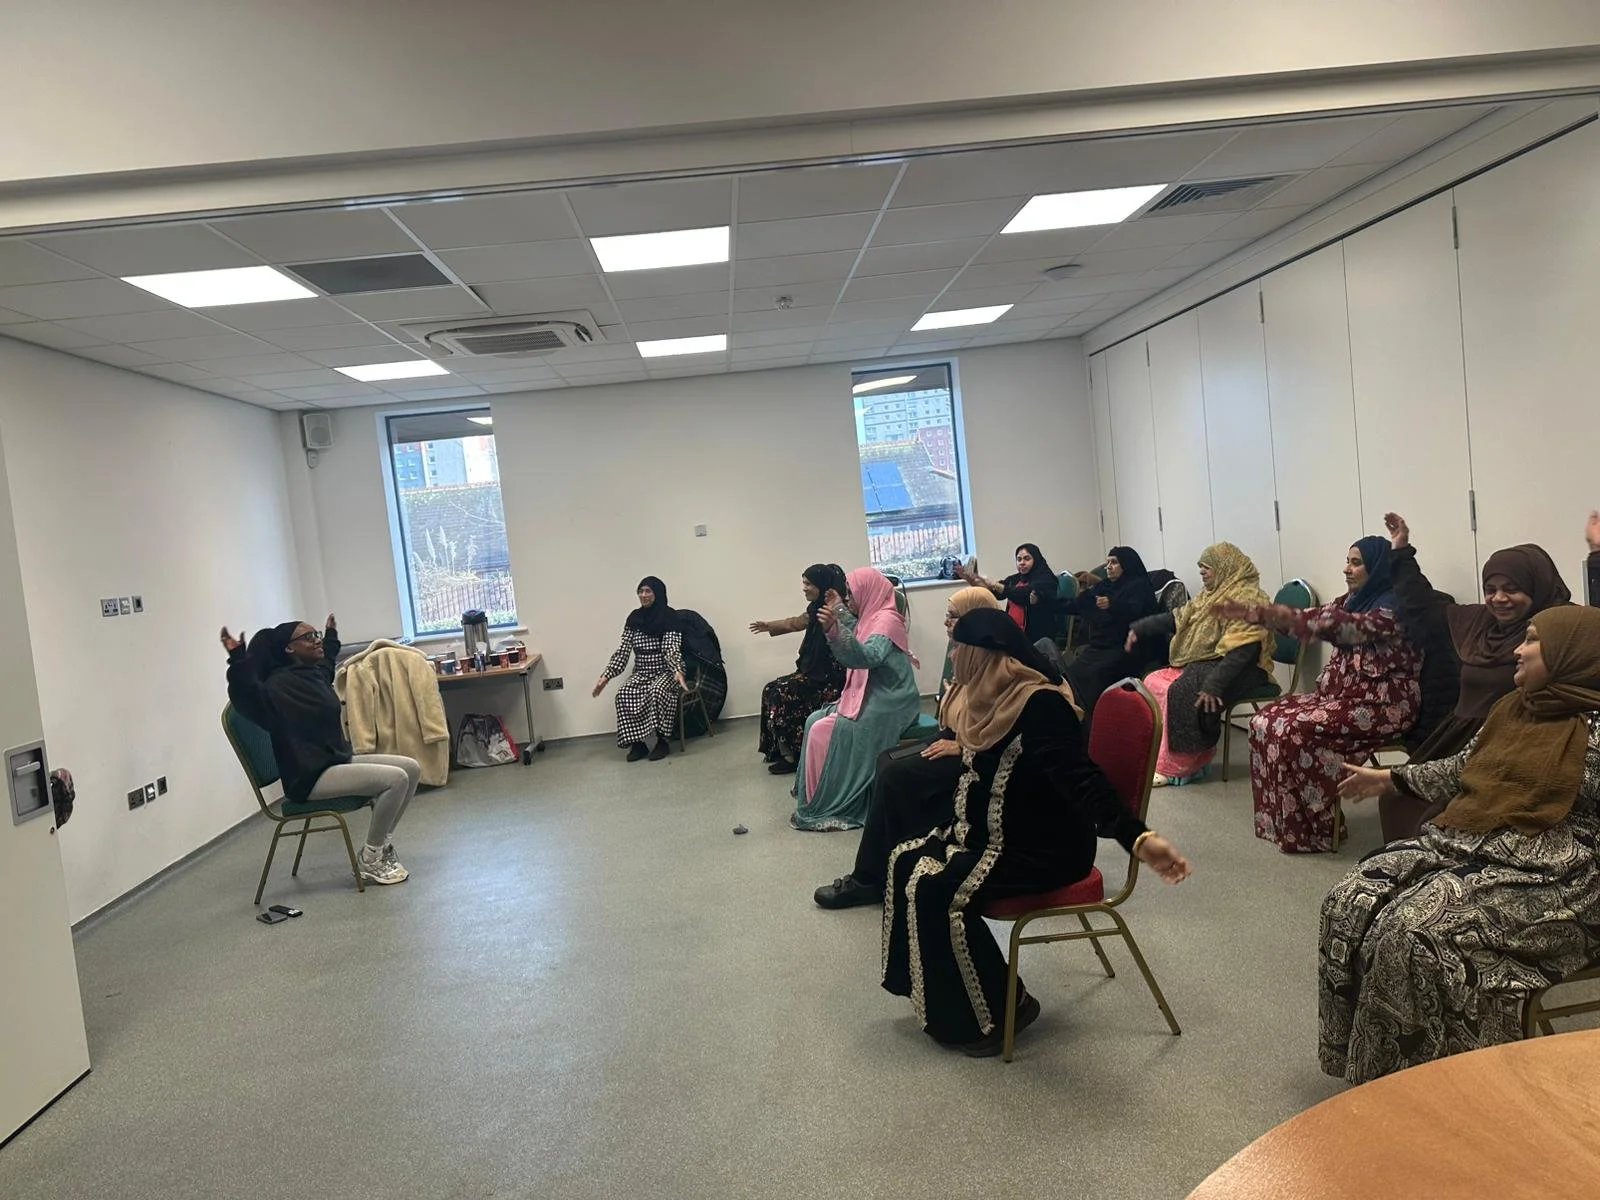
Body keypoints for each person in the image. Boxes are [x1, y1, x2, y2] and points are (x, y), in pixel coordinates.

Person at [881, 608, 1191, 1056]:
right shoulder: (987, 699)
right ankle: (942, 994)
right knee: (903, 860)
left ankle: (1003, 1011)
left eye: (959, 652)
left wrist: (1138, 838)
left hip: (1042, 846)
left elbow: (1082, 779)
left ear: (984, 655)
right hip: (999, 831)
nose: (953, 662)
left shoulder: (1037, 704)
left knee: (933, 890)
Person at [1321, 605, 1600, 1085]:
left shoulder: (1595, 731)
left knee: (1417, 933)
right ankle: (1370, 1072)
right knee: (1351, 898)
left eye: (1532, 640)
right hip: (1474, 841)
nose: (1518, 648)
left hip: (1561, 876)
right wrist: (1389, 779)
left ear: (1570, 656)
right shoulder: (1514, 707)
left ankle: (1446, 1085)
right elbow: (1462, 771)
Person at [1378, 510, 1598, 841]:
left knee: (1444, 821)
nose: (1499, 598)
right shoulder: (1479, 623)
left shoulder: (1554, 626)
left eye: (1511, 589)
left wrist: (1596, 556)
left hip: (1516, 741)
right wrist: (1401, 550)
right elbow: (1422, 606)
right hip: (1458, 737)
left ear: (1536, 587)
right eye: (1490, 589)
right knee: (1398, 799)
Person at [1225, 537, 1422, 853]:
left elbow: (1347, 627)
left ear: (1378, 567)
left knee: (1295, 729)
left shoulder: (1393, 608)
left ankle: (1318, 828)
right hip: (1342, 696)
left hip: (1384, 704)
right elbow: (1313, 619)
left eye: (1356, 562)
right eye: (1347, 561)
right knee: (1265, 719)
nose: (1347, 569)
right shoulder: (1351, 600)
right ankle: (1288, 825)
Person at [813, 585, 1002, 908]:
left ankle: (868, 879)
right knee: (886, 761)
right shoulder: (967, 649)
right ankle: (887, 865)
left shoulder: (998, 658)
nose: (946, 622)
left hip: (975, 751)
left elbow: (1003, 723)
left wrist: (962, 745)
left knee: (895, 775)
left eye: (953, 616)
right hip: (956, 735)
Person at [222, 616, 420, 886]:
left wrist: (331, 635)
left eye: (315, 635)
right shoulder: (276, 688)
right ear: (289, 649)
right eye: (308, 637)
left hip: (333, 760)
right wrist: (238, 660)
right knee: (396, 780)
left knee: (411, 768)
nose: (316, 641)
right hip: (308, 776)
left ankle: (380, 847)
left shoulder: (312, 674)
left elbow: (327, 665)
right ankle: (371, 859)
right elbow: (248, 697)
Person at [1126, 542, 1274, 787]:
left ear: (1225, 567)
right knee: (1154, 681)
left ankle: (1182, 767)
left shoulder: (1248, 599)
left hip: (1243, 668)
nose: (1202, 572)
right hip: (1211, 661)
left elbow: (1242, 651)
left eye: (1208, 567)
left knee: (1183, 690)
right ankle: (1164, 757)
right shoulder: (1209, 596)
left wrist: (1214, 684)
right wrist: (1140, 628)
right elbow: (1178, 617)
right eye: (1200, 568)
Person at [791, 567, 921, 832]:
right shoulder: (872, 616)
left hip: (891, 698)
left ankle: (834, 801)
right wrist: (839, 610)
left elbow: (868, 656)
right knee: (814, 719)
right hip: (874, 689)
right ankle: (816, 793)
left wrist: (834, 631)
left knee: (824, 729)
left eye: (851, 593)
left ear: (868, 591)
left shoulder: (887, 621)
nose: (849, 598)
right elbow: (859, 631)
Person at [751, 564, 849, 775]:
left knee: (781, 693)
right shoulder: (815, 609)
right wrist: (770, 626)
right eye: (803, 583)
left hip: (829, 679)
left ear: (822, 586)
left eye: (808, 584)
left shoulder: (835, 611)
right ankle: (778, 749)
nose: (804, 588)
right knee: (770, 689)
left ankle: (794, 755)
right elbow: (795, 622)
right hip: (812, 673)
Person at [1059, 546, 1161, 720]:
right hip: (1101, 646)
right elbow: (1081, 605)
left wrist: (1113, 604)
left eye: (1114, 562)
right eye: (1107, 562)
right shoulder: (1106, 585)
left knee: (1096, 675)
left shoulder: (1139, 586)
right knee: (1072, 673)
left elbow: (1141, 615)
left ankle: (1094, 721)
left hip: (1127, 646)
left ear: (1126, 565)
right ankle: (1074, 715)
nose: (1108, 567)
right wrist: (1076, 594)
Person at [593, 576, 687, 762]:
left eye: (648, 591)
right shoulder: (634, 618)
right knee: (623, 694)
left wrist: (677, 670)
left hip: (666, 671)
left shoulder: (670, 616)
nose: (643, 595)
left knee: (658, 691)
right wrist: (606, 676)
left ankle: (662, 741)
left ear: (657, 593)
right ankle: (638, 745)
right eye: (640, 591)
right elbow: (623, 651)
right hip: (643, 672)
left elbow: (671, 648)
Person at [961, 543, 1061, 643]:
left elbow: (1023, 594)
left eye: (1027, 558)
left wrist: (995, 585)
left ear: (1036, 559)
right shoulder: (1015, 579)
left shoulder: (1046, 579)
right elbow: (998, 594)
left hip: (1037, 638)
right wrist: (974, 583)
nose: (1022, 562)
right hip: (1013, 633)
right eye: (1019, 559)